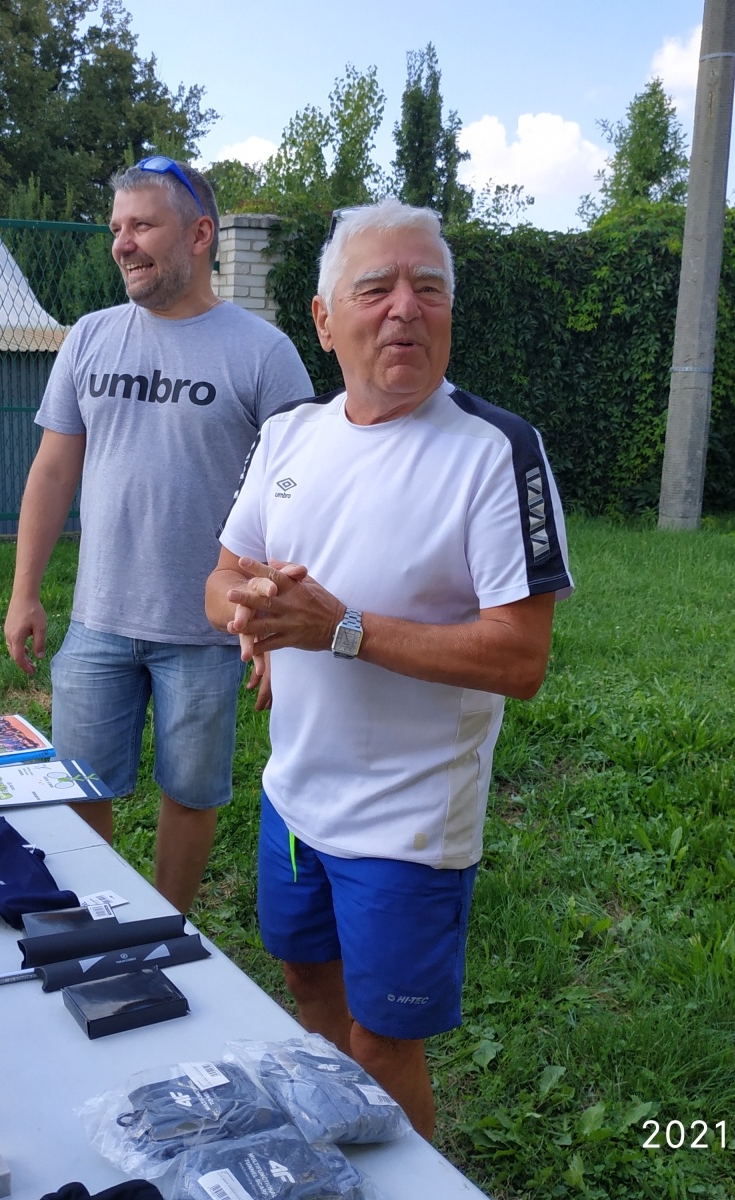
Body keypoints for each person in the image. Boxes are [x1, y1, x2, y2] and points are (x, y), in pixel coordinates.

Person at [205, 198, 573, 1139]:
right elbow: (223, 575)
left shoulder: (495, 452)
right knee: (307, 986)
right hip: (295, 796)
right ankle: (341, 1149)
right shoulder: (291, 434)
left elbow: (521, 657)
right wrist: (250, 614)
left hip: (408, 822)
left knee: (381, 1042)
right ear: (326, 323)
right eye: (376, 289)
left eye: (429, 288)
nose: (406, 308)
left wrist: (341, 629)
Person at [6, 157, 313, 914]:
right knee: (82, 784)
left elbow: (302, 495)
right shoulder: (90, 338)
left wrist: (275, 626)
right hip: (99, 619)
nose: (123, 243)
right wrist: (25, 593)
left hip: (209, 629)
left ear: (201, 234)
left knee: (192, 791)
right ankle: (96, 917)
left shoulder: (262, 352)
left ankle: (167, 930)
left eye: (142, 225)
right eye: (116, 228)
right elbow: (52, 473)